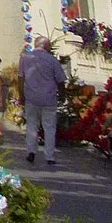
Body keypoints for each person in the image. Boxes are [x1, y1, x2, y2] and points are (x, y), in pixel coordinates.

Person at [19, 35, 70, 165]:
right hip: (49, 98)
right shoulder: (52, 60)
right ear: (46, 46)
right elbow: (60, 80)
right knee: (49, 127)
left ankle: (31, 151)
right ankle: (50, 156)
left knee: (31, 125)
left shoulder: (25, 58)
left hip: (31, 97)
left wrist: (21, 95)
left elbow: (21, 78)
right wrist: (62, 95)